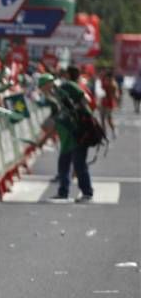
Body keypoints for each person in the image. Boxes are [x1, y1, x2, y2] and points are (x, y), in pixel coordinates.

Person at [37, 73, 95, 203]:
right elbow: (58, 119)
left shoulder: (68, 86)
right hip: (68, 136)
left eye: (43, 88)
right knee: (63, 164)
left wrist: (73, 110)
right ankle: (63, 192)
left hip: (80, 131)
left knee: (79, 164)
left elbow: (86, 100)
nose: (43, 92)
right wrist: (43, 140)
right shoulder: (55, 97)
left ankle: (87, 193)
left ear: (48, 83)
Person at [99, 71, 119, 139]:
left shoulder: (113, 84)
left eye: (108, 77)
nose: (106, 78)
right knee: (102, 118)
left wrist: (115, 100)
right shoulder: (105, 82)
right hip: (104, 101)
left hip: (110, 103)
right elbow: (102, 87)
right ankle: (104, 133)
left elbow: (115, 95)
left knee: (108, 119)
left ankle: (114, 131)